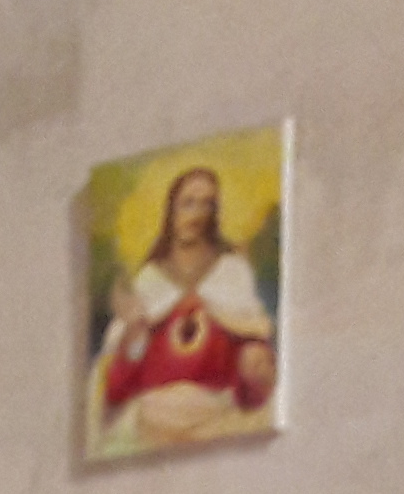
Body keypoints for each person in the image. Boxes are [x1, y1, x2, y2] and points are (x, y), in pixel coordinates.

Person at [89, 162, 276, 453]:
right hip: (157, 418)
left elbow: (255, 335)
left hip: (218, 414)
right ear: (171, 210)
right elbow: (128, 362)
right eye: (188, 203)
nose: (197, 214)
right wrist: (136, 330)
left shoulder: (231, 271)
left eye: (207, 204)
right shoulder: (151, 279)